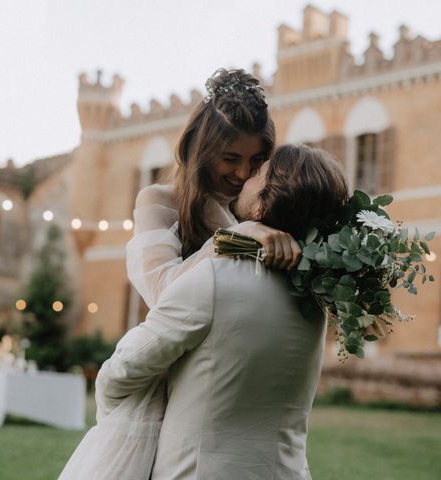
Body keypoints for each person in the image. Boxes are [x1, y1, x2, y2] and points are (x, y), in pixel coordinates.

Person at [96, 144, 349, 479]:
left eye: (258, 172)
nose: (244, 177)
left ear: (263, 203)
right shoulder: (315, 296)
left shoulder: (213, 279)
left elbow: (119, 373)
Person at [127, 68, 301, 310]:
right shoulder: (160, 200)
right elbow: (162, 294)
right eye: (230, 159)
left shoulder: (264, 210)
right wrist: (237, 239)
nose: (243, 173)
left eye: (257, 159)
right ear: (201, 152)